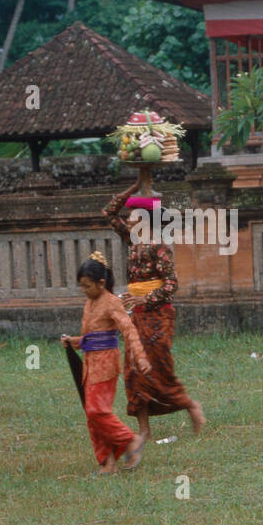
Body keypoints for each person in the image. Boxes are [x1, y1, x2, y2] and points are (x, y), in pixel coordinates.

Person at [103, 186, 205, 438]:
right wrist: (135, 187)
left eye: (133, 215)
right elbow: (108, 212)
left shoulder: (159, 246)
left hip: (159, 315)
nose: (128, 220)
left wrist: (143, 298)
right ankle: (144, 430)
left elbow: (172, 284)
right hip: (136, 315)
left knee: (159, 368)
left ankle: (191, 406)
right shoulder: (131, 239)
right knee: (134, 369)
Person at [61, 251, 151, 475]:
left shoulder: (112, 303)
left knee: (96, 411)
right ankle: (107, 463)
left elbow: (128, 330)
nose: (84, 290)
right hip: (89, 365)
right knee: (92, 417)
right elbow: (93, 336)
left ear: (102, 283)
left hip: (106, 365)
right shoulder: (89, 303)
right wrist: (75, 342)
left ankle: (131, 440)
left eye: (87, 286)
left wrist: (140, 357)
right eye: (81, 286)